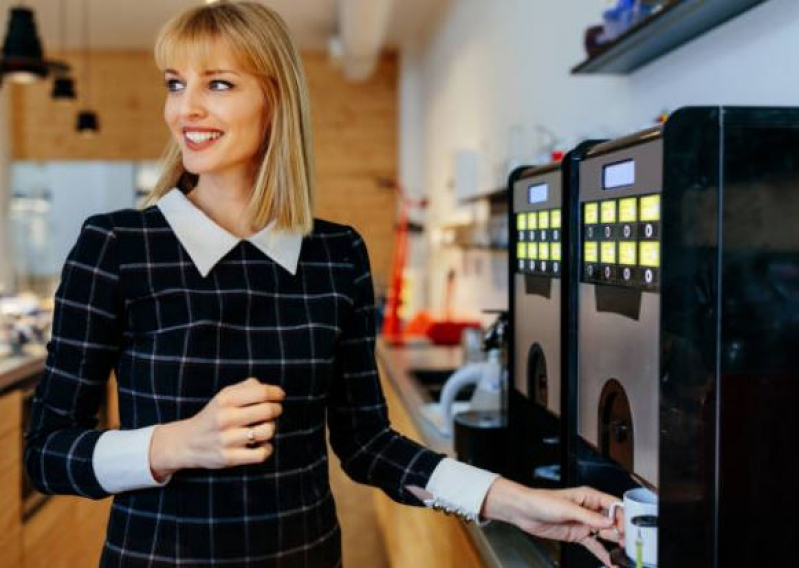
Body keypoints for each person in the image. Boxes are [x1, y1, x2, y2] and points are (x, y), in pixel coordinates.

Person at [23, 2, 624, 567]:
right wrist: (175, 445)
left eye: (218, 84)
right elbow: (47, 453)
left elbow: (368, 446)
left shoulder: (336, 255)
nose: (185, 109)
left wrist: (516, 501)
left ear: (275, 99)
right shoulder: (117, 246)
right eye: (175, 83)